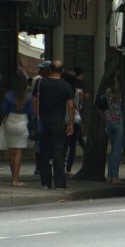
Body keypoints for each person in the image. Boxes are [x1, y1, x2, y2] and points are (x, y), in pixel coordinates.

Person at [33, 60, 75, 190]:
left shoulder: (41, 83)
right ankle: (60, 183)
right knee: (58, 152)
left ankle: (45, 182)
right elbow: (70, 105)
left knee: (44, 152)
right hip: (58, 121)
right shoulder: (66, 86)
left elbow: (35, 100)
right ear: (62, 72)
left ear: (49, 70)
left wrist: (37, 117)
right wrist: (71, 123)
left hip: (44, 120)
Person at [0, 73, 33, 186]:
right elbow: (31, 113)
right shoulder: (28, 96)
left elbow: (3, 110)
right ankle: (16, 179)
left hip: (10, 121)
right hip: (22, 122)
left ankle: (12, 178)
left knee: (11, 152)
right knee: (18, 152)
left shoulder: (9, 95)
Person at [101, 75, 124, 185]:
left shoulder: (108, 92)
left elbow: (100, 104)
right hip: (120, 122)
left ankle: (109, 176)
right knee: (117, 151)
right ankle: (115, 177)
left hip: (109, 122)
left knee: (112, 150)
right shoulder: (123, 92)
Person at [30, 60, 51, 175]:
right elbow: (34, 99)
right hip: (40, 115)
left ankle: (42, 165)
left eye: (42, 69)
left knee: (42, 143)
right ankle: (39, 166)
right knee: (39, 142)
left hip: (44, 114)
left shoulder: (39, 81)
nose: (40, 71)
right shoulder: (37, 81)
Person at [62, 71, 84, 177]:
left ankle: (61, 167)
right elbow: (80, 107)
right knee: (73, 146)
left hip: (65, 119)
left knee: (64, 145)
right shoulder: (79, 92)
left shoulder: (63, 91)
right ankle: (68, 169)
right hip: (76, 119)